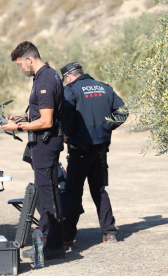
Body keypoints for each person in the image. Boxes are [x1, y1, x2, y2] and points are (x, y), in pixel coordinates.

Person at [2, 41, 66, 259]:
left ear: (29, 59)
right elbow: (40, 114)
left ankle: (53, 244)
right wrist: (21, 118)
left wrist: (17, 127)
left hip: (46, 143)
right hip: (45, 143)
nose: (21, 69)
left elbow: (47, 121)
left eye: (20, 64)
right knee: (46, 191)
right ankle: (53, 240)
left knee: (48, 194)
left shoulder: (45, 80)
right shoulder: (44, 76)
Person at [60, 62, 127, 245]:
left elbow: (68, 116)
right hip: (100, 148)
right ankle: (110, 233)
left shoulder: (72, 90)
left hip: (79, 149)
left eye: (65, 79)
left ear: (69, 76)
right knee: (99, 191)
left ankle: (67, 237)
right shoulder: (104, 88)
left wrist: (68, 133)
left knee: (73, 192)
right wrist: (107, 127)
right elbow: (123, 111)